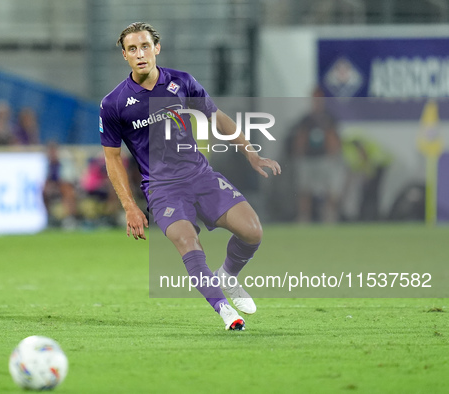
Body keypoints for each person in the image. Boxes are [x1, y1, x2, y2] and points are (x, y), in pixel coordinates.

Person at [99, 22, 281, 330]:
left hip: (201, 176)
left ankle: (228, 275)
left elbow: (217, 116)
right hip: (162, 189)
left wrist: (250, 151)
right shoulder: (114, 103)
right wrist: (130, 206)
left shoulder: (181, 82)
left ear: (157, 48)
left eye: (145, 46)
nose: (140, 54)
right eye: (132, 49)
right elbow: (112, 158)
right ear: (125, 56)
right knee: (187, 241)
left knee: (253, 232)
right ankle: (225, 310)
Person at [291, 87, 344, 223]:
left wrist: (334, 156)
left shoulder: (329, 118)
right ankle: (304, 218)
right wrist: (299, 155)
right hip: (308, 159)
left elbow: (334, 138)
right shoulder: (306, 119)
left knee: (330, 190)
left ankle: (330, 217)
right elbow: (301, 138)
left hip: (324, 159)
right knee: (305, 190)